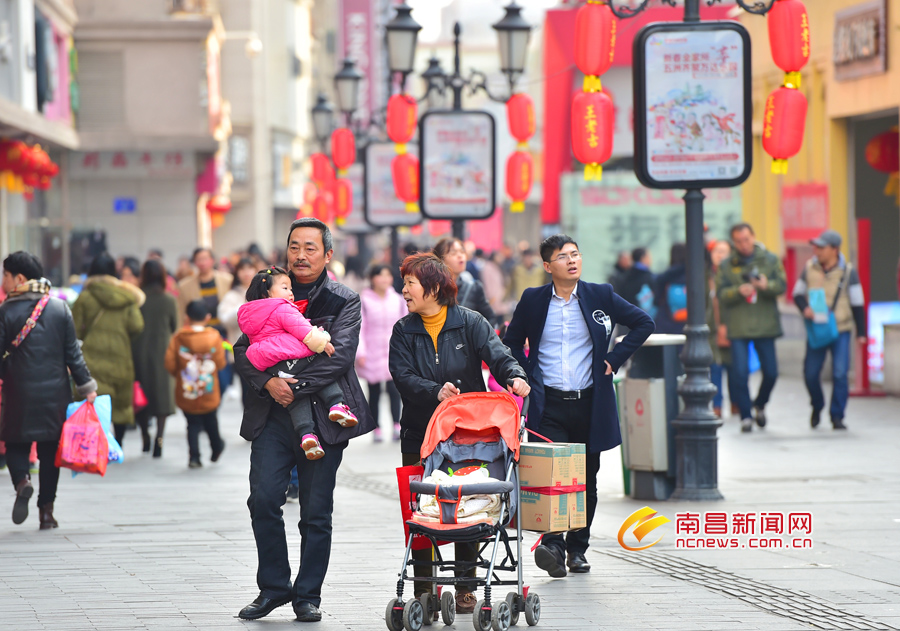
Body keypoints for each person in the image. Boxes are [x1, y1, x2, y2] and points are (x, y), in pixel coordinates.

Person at [232, 218, 374, 623]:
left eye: (311, 247)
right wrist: (268, 382)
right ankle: (273, 588)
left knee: (315, 511)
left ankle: (307, 595)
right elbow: (243, 351)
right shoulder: (268, 294)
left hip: (324, 417)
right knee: (263, 499)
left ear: (328, 254)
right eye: (295, 246)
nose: (301, 255)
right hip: (272, 418)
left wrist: (291, 384)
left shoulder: (342, 299)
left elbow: (341, 356)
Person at [504, 234, 654, 577]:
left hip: (590, 402)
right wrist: (524, 374)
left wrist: (614, 358)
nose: (572, 260)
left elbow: (644, 323)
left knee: (586, 479)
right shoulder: (533, 299)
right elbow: (511, 342)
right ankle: (553, 543)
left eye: (575, 254)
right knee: (553, 478)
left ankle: (577, 548)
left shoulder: (600, 295)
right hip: (549, 403)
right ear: (547, 266)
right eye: (563, 257)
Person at [389, 252, 530, 614]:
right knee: (422, 508)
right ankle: (424, 588)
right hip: (419, 433)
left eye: (410, 283)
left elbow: (498, 355)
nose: (403, 290)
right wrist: (434, 391)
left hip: (467, 433)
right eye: (404, 283)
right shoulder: (404, 331)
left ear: (434, 288)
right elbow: (402, 376)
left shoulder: (470, 322)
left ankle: (467, 585)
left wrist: (515, 376)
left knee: (465, 502)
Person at [0, 252, 98, 528]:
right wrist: (86, 386)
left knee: (16, 443)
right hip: (55, 394)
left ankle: (22, 482)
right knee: (49, 453)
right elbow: (73, 355)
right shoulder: (58, 308)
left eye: (5, 275)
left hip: (18, 392)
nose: (3, 281)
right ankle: (46, 512)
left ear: (18, 278)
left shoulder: (5, 311)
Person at [237, 266, 357, 460]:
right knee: (318, 364)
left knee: (292, 394)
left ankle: (306, 435)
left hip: (272, 366)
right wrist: (321, 342)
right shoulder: (282, 307)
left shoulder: (251, 313)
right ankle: (336, 404)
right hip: (291, 356)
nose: (290, 293)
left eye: (291, 288)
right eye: (285, 288)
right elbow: (303, 330)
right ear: (267, 293)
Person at [715, 223, 787, 433]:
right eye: (739, 241)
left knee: (772, 372)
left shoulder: (770, 259)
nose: (744, 244)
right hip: (738, 326)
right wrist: (738, 291)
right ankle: (746, 415)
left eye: (747, 239)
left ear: (753, 237)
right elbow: (720, 294)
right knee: (739, 373)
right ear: (734, 242)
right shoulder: (727, 265)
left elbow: (782, 286)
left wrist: (766, 286)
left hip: (766, 324)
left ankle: (760, 403)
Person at [792, 230, 866, 430]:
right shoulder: (809, 267)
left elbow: (858, 303)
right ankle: (817, 405)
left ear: (835, 249)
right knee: (810, 373)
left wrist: (861, 333)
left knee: (840, 373)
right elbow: (797, 293)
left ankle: (837, 415)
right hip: (817, 328)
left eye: (821, 247)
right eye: (815, 247)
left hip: (840, 328)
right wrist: (804, 308)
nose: (817, 251)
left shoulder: (848, 271)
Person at [72, 253, 145, 446]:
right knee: (120, 403)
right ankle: (118, 442)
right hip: (121, 356)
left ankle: (95, 443)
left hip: (91, 358)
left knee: (93, 400)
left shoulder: (85, 297)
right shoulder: (127, 297)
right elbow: (137, 326)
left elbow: (74, 329)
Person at [165, 300, 227, 467]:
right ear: (207, 317)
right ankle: (216, 447)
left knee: (192, 423)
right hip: (209, 388)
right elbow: (221, 363)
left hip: (187, 388)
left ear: (187, 317)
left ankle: (194, 457)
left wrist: (179, 375)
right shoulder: (214, 336)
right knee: (211, 420)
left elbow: (170, 362)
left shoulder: (179, 337)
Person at [132, 259, 178, 457]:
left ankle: (144, 436)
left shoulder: (137, 299)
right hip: (162, 351)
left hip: (138, 350)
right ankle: (159, 439)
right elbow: (174, 326)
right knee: (161, 397)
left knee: (142, 395)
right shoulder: (168, 300)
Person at [357, 264, 407, 442]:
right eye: (380, 275)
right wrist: (360, 352)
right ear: (373, 278)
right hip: (372, 350)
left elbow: (404, 324)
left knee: (395, 389)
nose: (384, 279)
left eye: (388, 275)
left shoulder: (398, 299)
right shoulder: (364, 300)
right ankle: (376, 426)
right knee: (374, 390)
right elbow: (360, 328)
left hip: (393, 350)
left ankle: (396, 424)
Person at [219, 258, 256, 409]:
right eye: (242, 269)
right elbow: (224, 318)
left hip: (263, 349)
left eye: (249, 268)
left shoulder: (264, 291)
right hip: (241, 350)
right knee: (247, 390)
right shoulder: (232, 295)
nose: (246, 273)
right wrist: (243, 308)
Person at [433, 237, 496, 325]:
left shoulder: (474, 288)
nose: (460, 256)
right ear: (440, 259)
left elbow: (490, 319)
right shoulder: (431, 289)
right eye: (453, 253)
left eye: (462, 252)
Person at [176, 247, 233, 337]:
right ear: (195, 262)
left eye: (205, 259)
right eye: (199, 259)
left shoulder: (227, 280)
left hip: (223, 331)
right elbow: (180, 312)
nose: (202, 263)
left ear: (212, 260)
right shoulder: (184, 286)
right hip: (198, 333)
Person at [708, 240, 734, 418]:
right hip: (711, 329)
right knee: (715, 367)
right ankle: (717, 406)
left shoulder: (733, 274)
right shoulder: (705, 275)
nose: (719, 255)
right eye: (716, 251)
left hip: (733, 327)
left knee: (735, 368)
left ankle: (737, 403)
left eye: (724, 251)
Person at [654, 243, 688, 334]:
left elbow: (657, 300)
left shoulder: (665, 276)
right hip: (689, 320)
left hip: (668, 319)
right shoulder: (693, 274)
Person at [618, 247, 656, 318]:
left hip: (626, 316)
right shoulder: (649, 277)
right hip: (644, 316)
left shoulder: (624, 276)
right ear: (643, 258)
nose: (651, 260)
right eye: (649, 257)